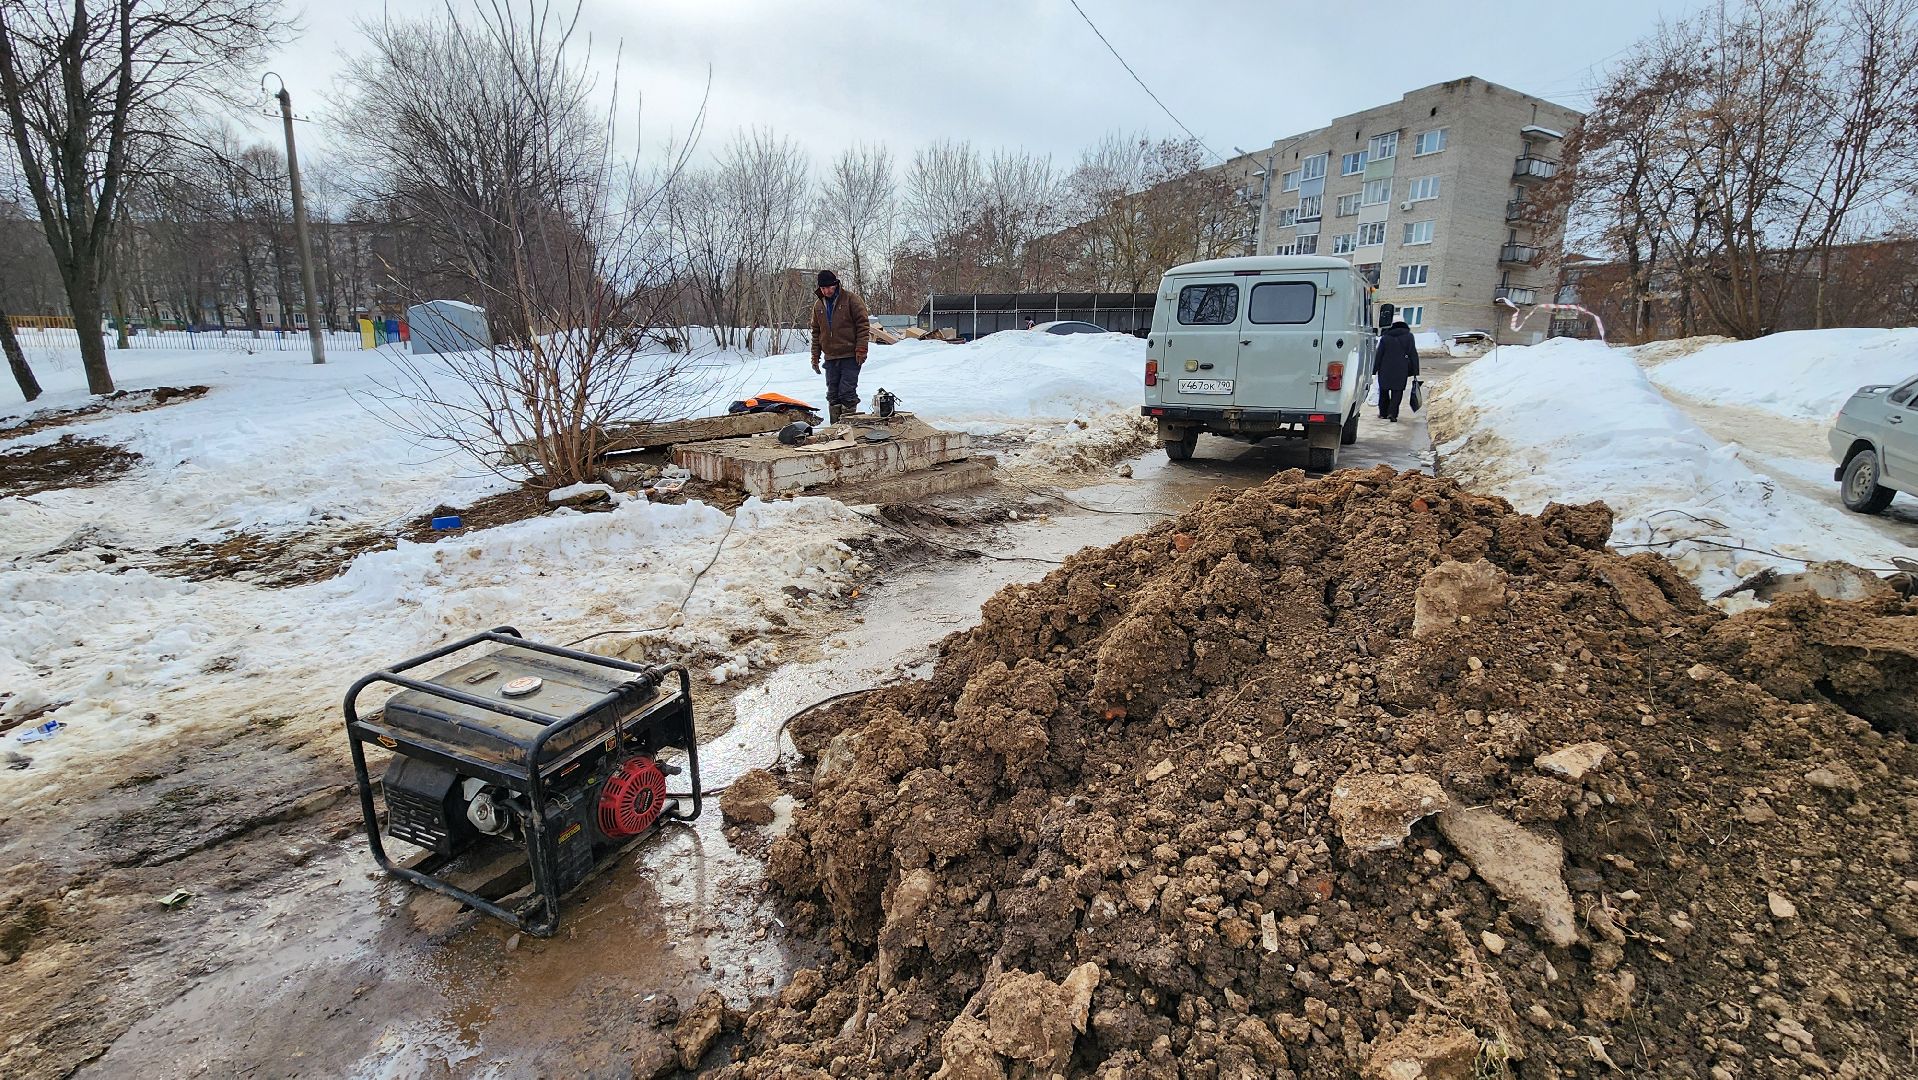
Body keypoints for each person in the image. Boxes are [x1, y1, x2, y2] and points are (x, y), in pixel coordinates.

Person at [809, 270, 870, 423]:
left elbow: (863, 325)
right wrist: (815, 356)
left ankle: (849, 428)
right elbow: (816, 332)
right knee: (833, 395)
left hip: (850, 355)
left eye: (829, 287)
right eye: (823, 288)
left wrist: (861, 348)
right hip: (830, 357)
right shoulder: (818, 305)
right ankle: (836, 429)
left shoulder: (851, 299)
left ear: (836, 284)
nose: (826, 291)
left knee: (847, 394)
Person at [1374, 320, 1420, 422]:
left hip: (1385, 368)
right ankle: (1392, 413)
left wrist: (1374, 369)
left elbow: (1379, 355)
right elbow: (1413, 354)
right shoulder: (1409, 337)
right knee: (1397, 392)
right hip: (1401, 368)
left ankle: (1383, 413)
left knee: (1383, 391)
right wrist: (1415, 371)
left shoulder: (1385, 337)